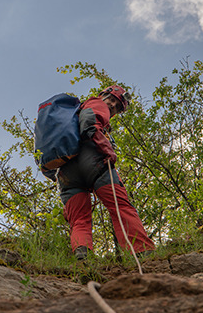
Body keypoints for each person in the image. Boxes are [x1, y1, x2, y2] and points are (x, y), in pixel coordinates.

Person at [57, 85, 155, 260]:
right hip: (93, 161)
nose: (111, 105)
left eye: (116, 106)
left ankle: (83, 258)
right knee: (121, 206)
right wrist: (109, 151)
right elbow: (89, 125)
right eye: (110, 99)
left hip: (67, 172)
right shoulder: (95, 103)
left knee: (79, 220)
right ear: (102, 95)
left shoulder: (72, 117)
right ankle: (142, 251)